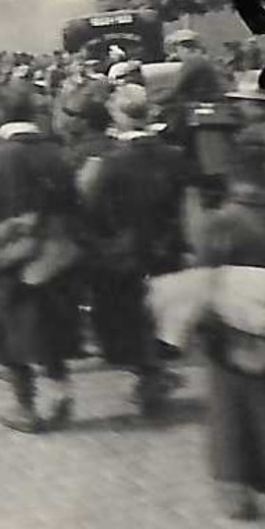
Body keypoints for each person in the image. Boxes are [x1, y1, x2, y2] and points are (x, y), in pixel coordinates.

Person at [195, 130, 265, 527]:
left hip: (234, 331)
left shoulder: (221, 222)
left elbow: (206, 278)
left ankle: (239, 489)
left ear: (233, 174)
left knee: (232, 412)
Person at [0, 82, 82, 432]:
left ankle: (25, 408)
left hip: (7, 262)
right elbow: (74, 203)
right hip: (55, 257)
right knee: (50, 329)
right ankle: (60, 393)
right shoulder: (59, 152)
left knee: (9, 339)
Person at [82, 83, 186, 415]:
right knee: (159, 312)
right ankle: (154, 372)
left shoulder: (109, 163)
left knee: (128, 315)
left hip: (124, 251)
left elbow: (91, 207)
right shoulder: (175, 155)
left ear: (119, 117)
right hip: (167, 247)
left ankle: (149, 377)